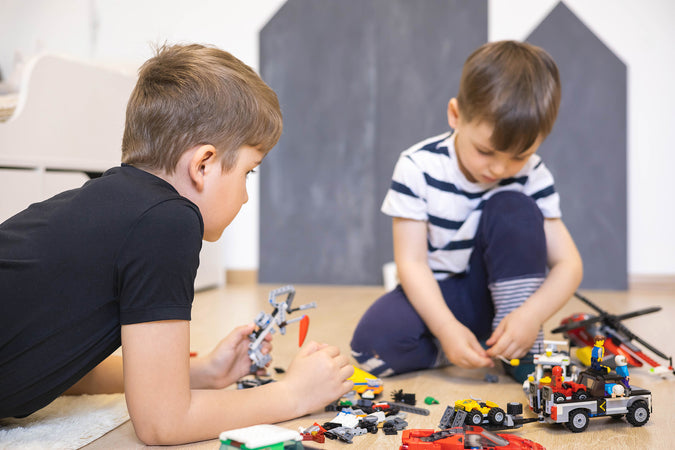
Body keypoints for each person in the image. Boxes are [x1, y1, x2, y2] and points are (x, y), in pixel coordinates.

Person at [0, 43, 353, 444]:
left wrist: (199, 372)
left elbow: (55, 364)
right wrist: (293, 394)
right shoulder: (167, 220)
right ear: (203, 165)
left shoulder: (114, 206)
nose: (245, 196)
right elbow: (162, 424)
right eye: (248, 174)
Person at [351, 40, 583, 383]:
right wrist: (445, 329)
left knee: (513, 206)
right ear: (456, 115)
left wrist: (529, 316)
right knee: (370, 351)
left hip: (507, 299)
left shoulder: (533, 175)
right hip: (442, 292)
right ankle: (469, 345)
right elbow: (411, 263)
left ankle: (514, 345)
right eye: (486, 151)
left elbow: (569, 265)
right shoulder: (418, 167)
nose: (500, 169)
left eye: (518, 156)